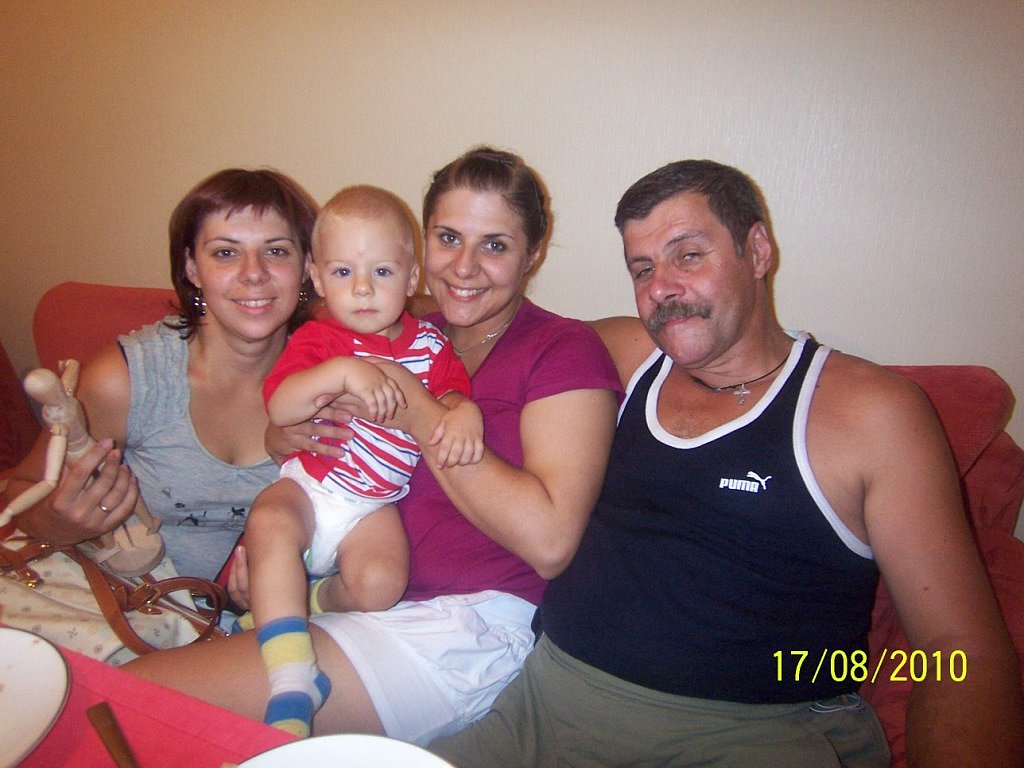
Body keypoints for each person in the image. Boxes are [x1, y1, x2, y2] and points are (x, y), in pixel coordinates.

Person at [429, 160, 1024, 768]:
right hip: (542, 707)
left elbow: (957, 649)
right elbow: (481, 317)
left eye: (688, 255)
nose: (661, 288)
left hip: (753, 737)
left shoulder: (870, 413)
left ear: (758, 250)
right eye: (642, 269)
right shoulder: (620, 358)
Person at [124, 147, 623, 746]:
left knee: (137, 705)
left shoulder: (561, 349)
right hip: (359, 589)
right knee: (137, 703)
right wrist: (283, 442)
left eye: (495, 245)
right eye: (449, 238)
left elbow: (550, 544)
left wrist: (412, 402)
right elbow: (303, 418)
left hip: (461, 626)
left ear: (533, 253)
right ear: (421, 248)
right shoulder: (399, 330)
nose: (465, 267)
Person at [5, 168, 318, 591]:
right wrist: (59, 524)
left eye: (276, 251)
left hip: (249, 618)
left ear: (306, 267)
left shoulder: (332, 382)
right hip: (121, 601)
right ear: (192, 267)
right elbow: (20, 489)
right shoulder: (127, 379)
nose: (253, 273)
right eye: (226, 253)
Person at [245, 185, 482, 737]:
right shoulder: (319, 340)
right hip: (311, 485)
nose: (363, 289)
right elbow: (281, 407)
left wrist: (465, 412)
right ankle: (292, 678)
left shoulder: (431, 346)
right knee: (268, 520)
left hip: (374, 506)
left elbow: (451, 398)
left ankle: (306, 600)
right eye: (343, 272)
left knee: (381, 586)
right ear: (317, 277)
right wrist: (341, 372)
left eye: (382, 272)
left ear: (412, 276)